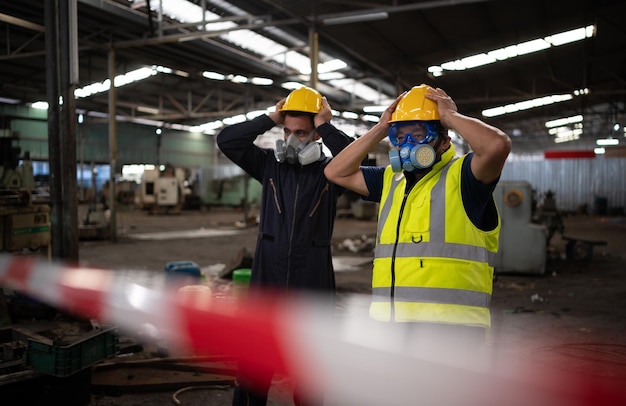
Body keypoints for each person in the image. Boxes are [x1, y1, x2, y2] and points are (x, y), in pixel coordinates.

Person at [324, 84, 511, 352]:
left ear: (444, 140)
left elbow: (497, 145)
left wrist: (450, 117)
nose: (407, 144)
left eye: (419, 134)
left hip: (450, 332)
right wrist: (379, 129)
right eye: (400, 136)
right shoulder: (391, 179)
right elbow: (335, 172)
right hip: (392, 325)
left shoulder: (465, 178)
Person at [216, 86, 355, 406]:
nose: (293, 140)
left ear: (316, 135)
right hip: (268, 280)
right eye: (288, 131)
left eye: (302, 132)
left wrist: (326, 125)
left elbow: (356, 155)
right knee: (253, 371)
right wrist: (270, 117)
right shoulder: (268, 165)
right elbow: (228, 140)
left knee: (309, 375)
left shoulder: (333, 174)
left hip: (313, 282)